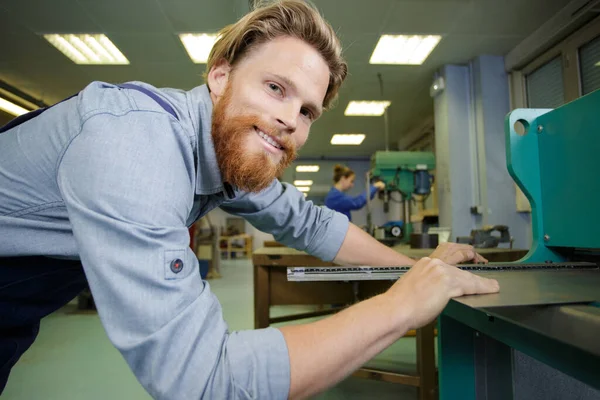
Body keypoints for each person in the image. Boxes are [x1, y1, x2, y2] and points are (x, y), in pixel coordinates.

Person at [0, 1, 498, 398]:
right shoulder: (135, 145)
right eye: (276, 88)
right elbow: (202, 380)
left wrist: (413, 269)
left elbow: (306, 222)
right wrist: (403, 307)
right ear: (220, 77)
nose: (290, 120)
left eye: (307, 111)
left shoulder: (226, 150)